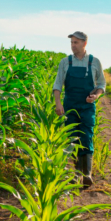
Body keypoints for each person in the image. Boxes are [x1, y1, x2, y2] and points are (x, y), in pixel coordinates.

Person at [53, 31, 106, 187]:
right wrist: (58, 103)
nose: (72, 45)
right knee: (73, 138)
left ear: (84, 43)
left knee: (87, 136)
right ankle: (77, 174)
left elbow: (101, 85)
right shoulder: (65, 62)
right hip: (70, 106)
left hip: (87, 107)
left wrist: (95, 96)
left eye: (76, 42)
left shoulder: (94, 62)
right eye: (71, 43)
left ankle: (87, 173)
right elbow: (57, 85)